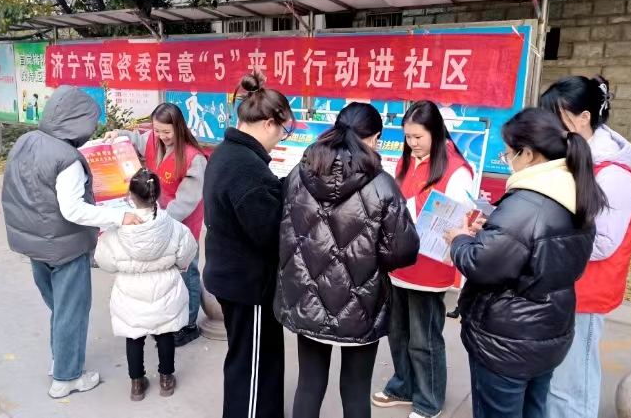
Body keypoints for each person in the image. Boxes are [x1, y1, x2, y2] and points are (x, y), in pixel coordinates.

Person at [445, 108, 608, 418]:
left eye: (509, 154)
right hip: (550, 330)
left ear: (529, 154)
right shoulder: (576, 190)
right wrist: (496, 232)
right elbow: (538, 249)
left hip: (508, 339)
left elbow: (480, 264)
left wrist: (459, 240)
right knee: (534, 408)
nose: (508, 161)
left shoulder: (526, 202)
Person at [275, 103, 420, 418]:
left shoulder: (299, 173)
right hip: (361, 303)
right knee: (355, 388)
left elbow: (285, 231)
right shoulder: (382, 184)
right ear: (374, 138)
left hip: (308, 299)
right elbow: (403, 250)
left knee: (309, 383)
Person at [1, 86, 142, 399]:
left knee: (58, 307)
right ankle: (67, 377)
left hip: (34, 243)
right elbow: (73, 210)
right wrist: (119, 217)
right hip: (65, 248)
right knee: (72, 312)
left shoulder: (28, 141)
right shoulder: (68, 161)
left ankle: (60, 360)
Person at [540, 75, 631, 418]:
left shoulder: (613, 173)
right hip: (561, 282)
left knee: (572, 383)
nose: (549, 125)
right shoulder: (570, 157)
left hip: (585, 290)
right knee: (555, 377)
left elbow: (604, 243)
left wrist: (544, 235)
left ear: (583, 117)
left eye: (556, 117)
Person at [372, 101, 474, 418]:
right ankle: (403, 386)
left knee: (424, 337)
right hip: (399, 262)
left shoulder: (456, 170)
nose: (412, 143)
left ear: (436, 132)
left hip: (428, 267)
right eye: (408, 137)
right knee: (398, 332)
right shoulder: (408, 161)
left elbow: (455, 219)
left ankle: (429, 401)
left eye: (418, 137)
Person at [203, 73, 292, 418]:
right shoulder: (247, 169)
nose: (281, 139)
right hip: (248, 285)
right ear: (269, 123)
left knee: (253, 362)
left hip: (233, 277)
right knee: (253, 370)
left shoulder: (227, 152)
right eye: (284, 131)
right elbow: (269, 234)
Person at [105, 103, 207, 347]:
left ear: (179, 128)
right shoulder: (152, 139)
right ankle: (171, 319)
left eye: (166, 132)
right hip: (158, 220)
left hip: (182, 225)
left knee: (186, 271)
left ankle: (189, 323)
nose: (161, 136)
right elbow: (136, 139)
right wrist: (118, 134)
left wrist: (160, 223)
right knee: (167, 275)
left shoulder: (193, 158)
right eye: (157, 130)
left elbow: (185, 202)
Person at [95, 168, 198, 401]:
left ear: (131, 196)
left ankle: (137, 384)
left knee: (133, 335)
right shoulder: (175, 227)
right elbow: (186, 256)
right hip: (166, 287)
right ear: (158, 194)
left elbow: (105, 261)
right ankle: (166, 379)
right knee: (165, 333)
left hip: (129, 290)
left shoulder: (116, 231)